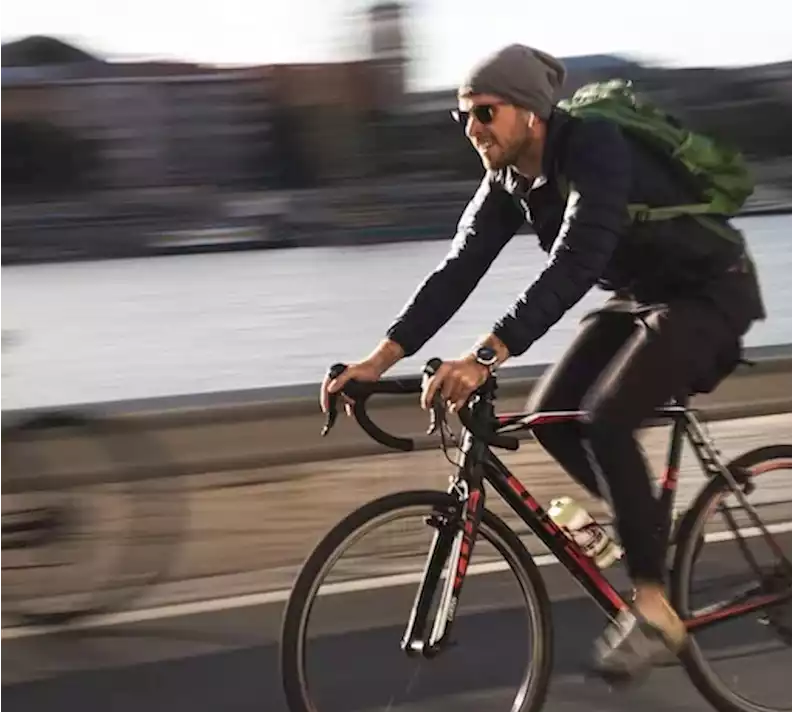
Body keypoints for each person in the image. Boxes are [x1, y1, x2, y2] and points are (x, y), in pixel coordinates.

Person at [321, 43, 766, 683]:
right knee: (553, 417)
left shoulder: (596, 148)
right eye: (463, 117)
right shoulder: (509, 179)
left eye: (484, 113)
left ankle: (652, 607)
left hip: (708, 291)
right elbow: (459, 268)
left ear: (530, 112)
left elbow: (577, 261)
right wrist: (379, 356)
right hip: (641, 295)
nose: (472, 130)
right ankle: (641, 533)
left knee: (608, 419)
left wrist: (486, 353)